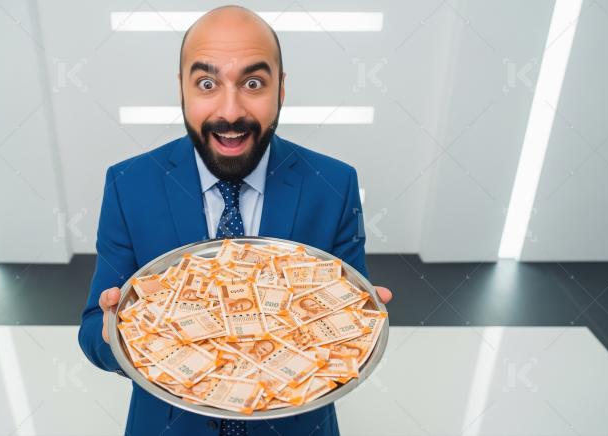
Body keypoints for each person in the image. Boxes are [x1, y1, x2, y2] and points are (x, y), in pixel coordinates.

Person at [78, 5, 393, 435]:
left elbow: (347, 309)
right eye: (207, 83)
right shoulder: (128, 184)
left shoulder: (334, 184)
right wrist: (119, 332)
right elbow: (92, 332)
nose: (230, 111)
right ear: (182, 90)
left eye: (253, 83)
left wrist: (359, 321)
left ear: (281, 89)